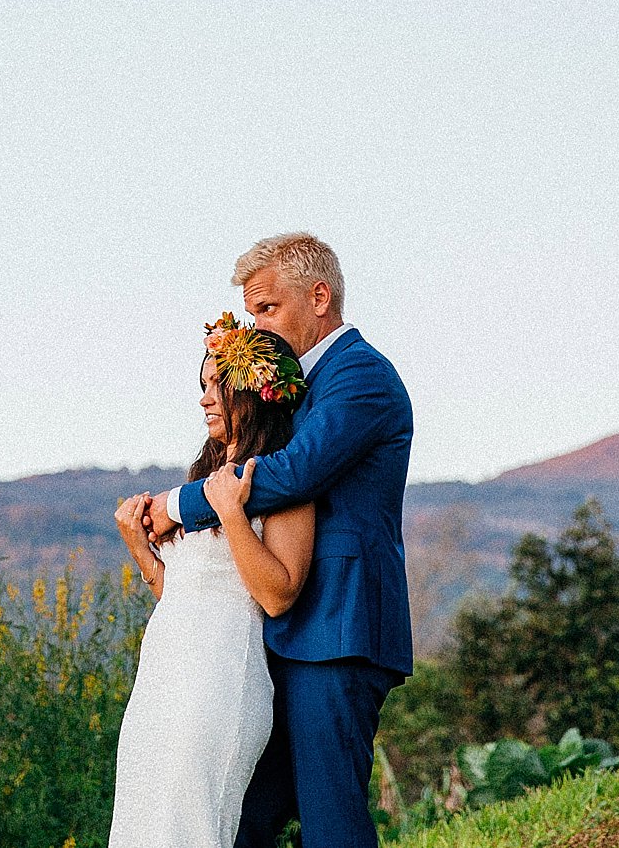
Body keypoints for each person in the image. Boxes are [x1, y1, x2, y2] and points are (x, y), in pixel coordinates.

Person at [138, 232, 414, 848]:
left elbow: (295, 473)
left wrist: (178, 505)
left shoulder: (361, 377)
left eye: (267, 309)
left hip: (338, 629)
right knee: (244, 820)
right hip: (279, 637)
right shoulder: (300, 388)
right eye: (251, 312)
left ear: (319, 297)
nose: (257, 327)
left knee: (329, 822)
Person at [109, 314, 315, 848]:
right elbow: (179, 592)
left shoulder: (282, 478)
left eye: (217, 386)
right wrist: (140, 547)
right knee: (142, 818)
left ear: (252, 391)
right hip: (163, 673)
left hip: (221, 676)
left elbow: (277, 594)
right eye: (202, 387)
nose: (205, 399)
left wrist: (230, 514)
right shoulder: (202, 480)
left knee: (193, 824)